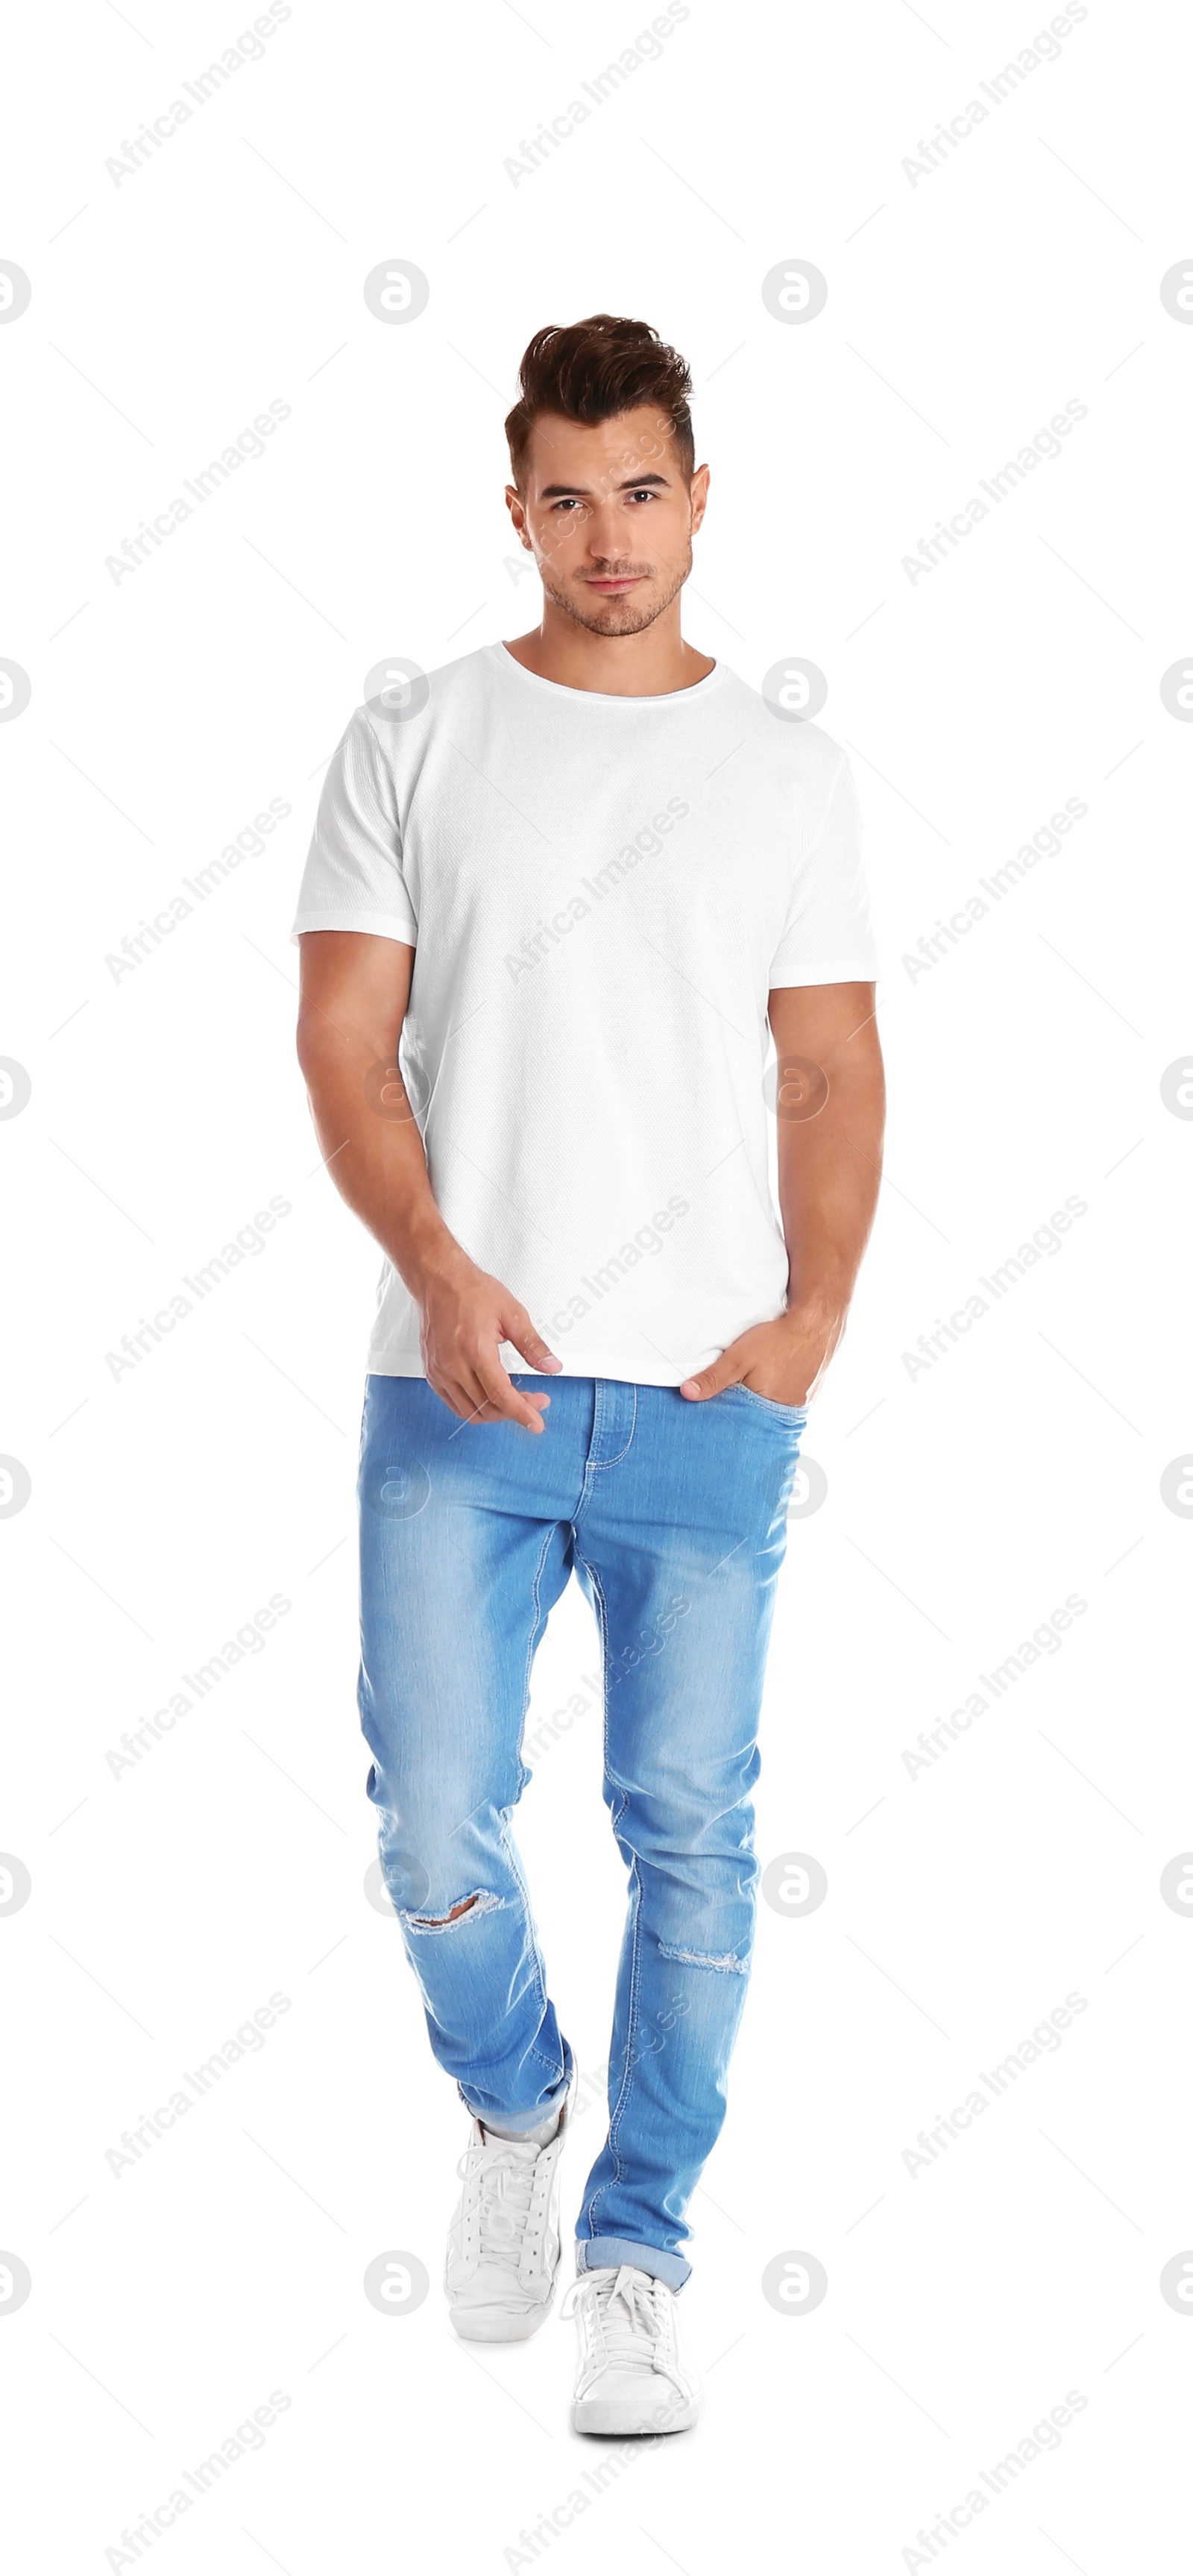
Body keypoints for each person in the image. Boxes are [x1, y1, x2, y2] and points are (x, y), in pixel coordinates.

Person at [292, 312, 884, 2434]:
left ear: (700, 495)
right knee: (434, 1814)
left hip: (709, 1395)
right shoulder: (421, 738)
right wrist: (439, 1268)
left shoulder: (786, 766)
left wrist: (810, 1325)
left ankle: (637, 2256)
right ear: (516, 505)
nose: (610, 535)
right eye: (568, 495)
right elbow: (347, 1047)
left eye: (645, 490)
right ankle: (516, 2105)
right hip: (458, 1384)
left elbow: (827, 1066)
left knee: (689, 1836)